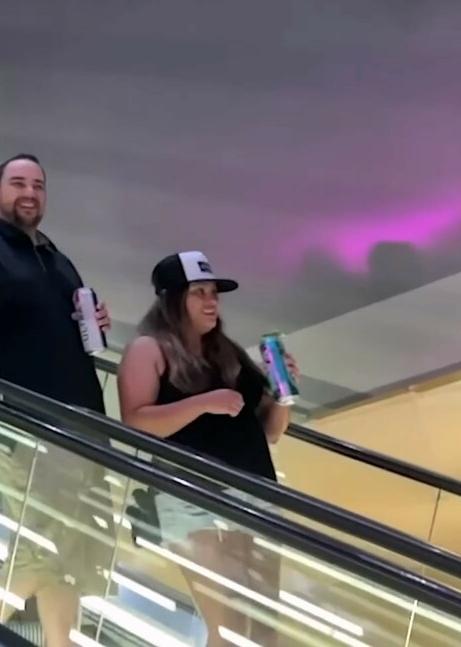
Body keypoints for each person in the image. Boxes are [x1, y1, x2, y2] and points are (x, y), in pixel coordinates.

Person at [0, 153, 111, 647]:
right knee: (41, 548)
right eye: (18, 183)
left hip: (81, 423)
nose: (29, 192)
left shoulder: (58, 261)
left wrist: (94, 324)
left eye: (38, 185)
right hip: (24, 423)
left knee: (69, 559)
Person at [116, 251, 299, 647]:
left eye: (214, 292)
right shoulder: (148, 349)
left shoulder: (227, 352)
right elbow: (135, 422)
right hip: (191, 496)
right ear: (172, 299)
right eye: (198, 292)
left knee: (264, 627)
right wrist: (202, 403)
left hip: (256, 490)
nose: (211, 301)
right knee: (228, 627)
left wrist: (282, 396)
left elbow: (269, 432)